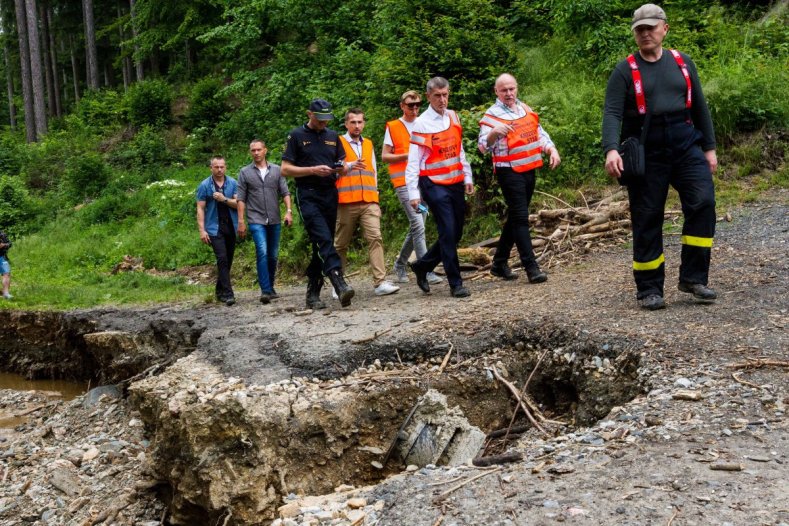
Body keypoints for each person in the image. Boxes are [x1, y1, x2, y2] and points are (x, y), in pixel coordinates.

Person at [603, 3, 718, 311]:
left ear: (664, 28)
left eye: (650, 28)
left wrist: (709, 148)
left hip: (685, 143)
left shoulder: (682, 62)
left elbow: (700, 107)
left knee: (703, 201)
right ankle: (649, 288)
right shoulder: (624, 70)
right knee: (647, 216)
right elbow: (612, 112)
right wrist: (611, 149)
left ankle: (693, 278)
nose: (645, 34)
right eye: (639, 29)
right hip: (646, 150)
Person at [478, 73, 561, 283]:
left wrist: (551, 149)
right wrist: (494, 133)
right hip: (509, 171)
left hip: (529, 168)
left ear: (517, 88)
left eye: (511, 89)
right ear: (496, 92)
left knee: (516, 216)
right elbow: (482, 147)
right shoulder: (491, 116)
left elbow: (538, 132)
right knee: (521, 217)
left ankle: (499, 263)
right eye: (504, 90)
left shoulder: (525, 108)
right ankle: (531, 267)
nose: (509, 93)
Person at [281, 98, 355, 309]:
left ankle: (312, 293)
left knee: (321, 245)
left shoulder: (333, 136)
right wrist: (312, 170)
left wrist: (341, 167)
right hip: (308, 194)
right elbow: (285, 169)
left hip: (329, 193)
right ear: (309, 114)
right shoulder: (296, 136)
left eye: (327, 119)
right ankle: (339, 282)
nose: (324, 123)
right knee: (323, 238)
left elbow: (341, 163)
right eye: (320, 119)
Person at [405, 77, 474, 298]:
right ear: (428, 97)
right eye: (437, 96)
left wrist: (467, 176)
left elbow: (458, 148)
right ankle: (456, 283)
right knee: (447, 229)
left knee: (455, 233)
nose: (442, 100)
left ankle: (422, 266)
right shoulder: (421, 123)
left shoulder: (453, 116)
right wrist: (414, 194)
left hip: (454, 181)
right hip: (433, 184)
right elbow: (414, 161)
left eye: (445, 95)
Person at [334, 108, 400, 297]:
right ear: (346, 124)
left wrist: (376, 197)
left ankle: (379, 283)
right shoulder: (338, 142)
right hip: (346, 201)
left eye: (360, 122)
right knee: (341, 244)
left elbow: (374, 171)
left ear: (364, 123)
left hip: (369, 200)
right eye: (353, 122)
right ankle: (338, 283)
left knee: (375, 238)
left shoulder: (369, 144)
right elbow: (334, 168)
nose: (357, 126)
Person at [382, 91, 443, 286]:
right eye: (410, 105)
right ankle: (425, 269)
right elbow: (385, 156)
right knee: (418, 225)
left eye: (417, 105)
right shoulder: (393, 127)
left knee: (419, 225)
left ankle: (400, 264)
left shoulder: (423, 123)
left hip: (423, 183)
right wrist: (408, 155)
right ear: (402, 106)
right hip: (404, 184)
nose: (414, 109)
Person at [237, 139, 293, 305]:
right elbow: (241, 198)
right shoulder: (245, 172)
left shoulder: (276, 170)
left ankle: (270, 286)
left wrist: (288, 212)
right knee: (262, 251)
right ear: (250, 152)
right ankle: (265, 290)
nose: (256, 153)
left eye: (259, 150)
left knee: (273, 254)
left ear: (265, 150)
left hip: (274, 218)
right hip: (256, 219)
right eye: (253, 150)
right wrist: (241, 220)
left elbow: (285, 192)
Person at [196, 156, 239, 306]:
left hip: (231, 225)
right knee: (222, 258)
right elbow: (200, 208)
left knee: (229, 259)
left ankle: (219, 290)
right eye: (216, 167)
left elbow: (238, 204)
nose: (219, 170)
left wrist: (223, 199)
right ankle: (228, 294)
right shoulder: (205, 185)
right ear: (211, 168)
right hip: (214, 227)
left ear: (225, 167)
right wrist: (202, 230)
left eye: (222, 167)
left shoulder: (233, 183)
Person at [0, 229, 12, 299]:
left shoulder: (2, 234)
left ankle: (6, 294)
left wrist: (3, 245)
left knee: (6, 273)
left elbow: (10, 243)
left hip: (2, 257)